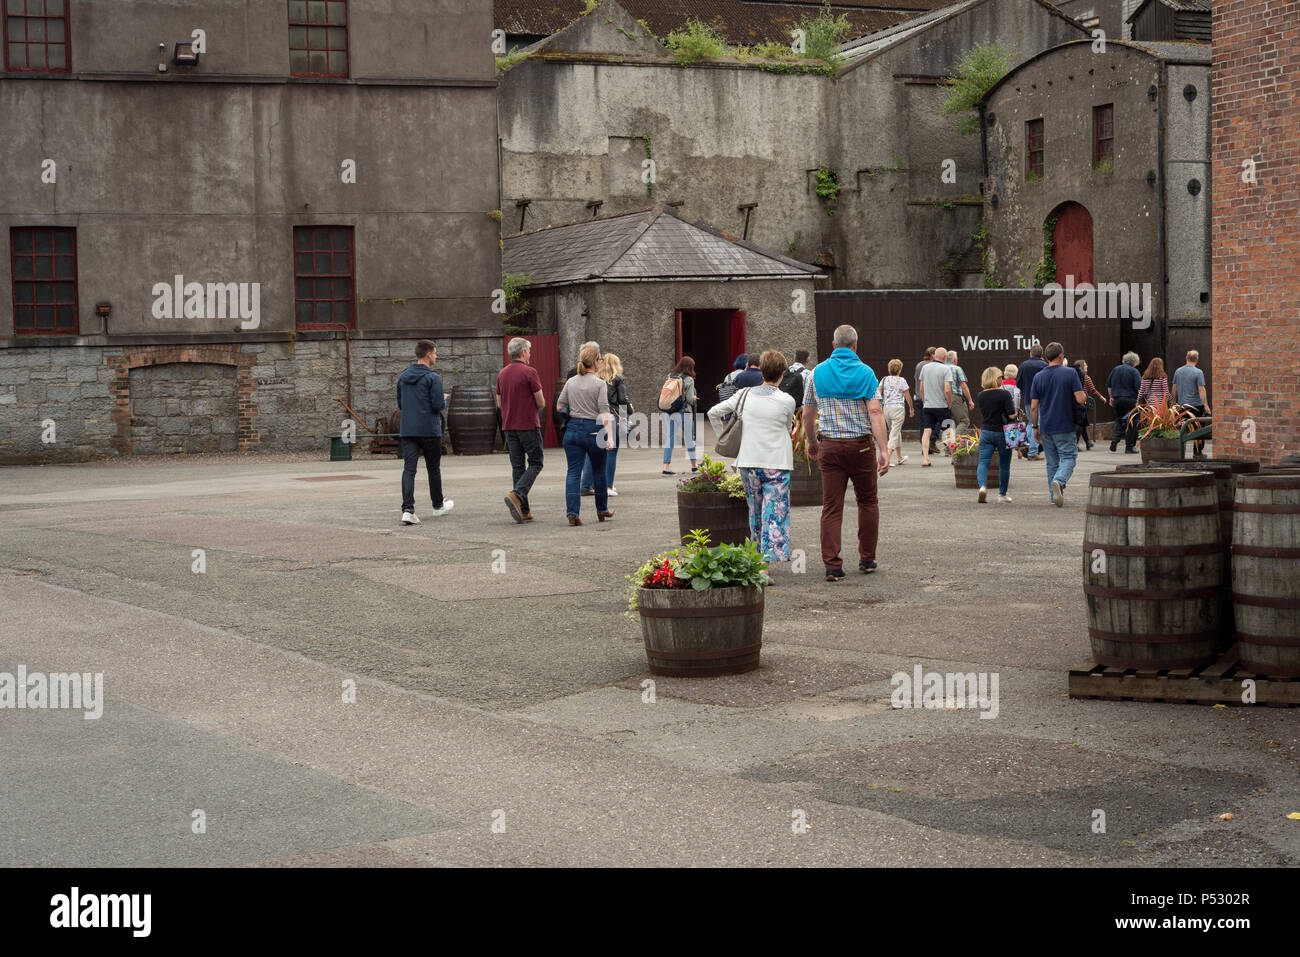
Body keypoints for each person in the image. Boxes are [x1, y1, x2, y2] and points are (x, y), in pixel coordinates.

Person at [802, 324, 889, 582]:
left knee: (831, 506)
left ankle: (832, 565)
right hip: (861, 446)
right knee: (868, 501)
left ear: (833, 345)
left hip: (829, 446)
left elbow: (807, 413)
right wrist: (883, 449)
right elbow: (875, 412)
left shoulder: (816, 373)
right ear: (855, 344)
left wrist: (810, 441)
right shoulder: (866, 372)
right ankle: (867, 558)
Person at [708, 350, 797, 569]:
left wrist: (724, 436)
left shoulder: (743, 395)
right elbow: (787, 428)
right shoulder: (787, 401)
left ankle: (756, 562)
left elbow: (713, 412)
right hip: (777, 462)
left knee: (754, 512)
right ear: (783, 373)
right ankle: (767, 560)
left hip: (748, 461)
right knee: (774, 513)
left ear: (760, 370)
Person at [556, 344, 613, 526]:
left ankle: (572, 513)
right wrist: (610, 437)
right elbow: (604, 413)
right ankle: (602, 509)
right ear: (595, 362)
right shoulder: (600, 384)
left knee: (573, 472)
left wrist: (574, 408)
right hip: (593, 430)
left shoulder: (571, 382)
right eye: (600, 359)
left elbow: (559, 406)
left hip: (572, 430)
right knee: (599, 470)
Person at [397, 339, 452, 525]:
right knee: (433, 468)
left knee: (409, 470)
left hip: (408, 430)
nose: (436, 356)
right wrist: (442, 399)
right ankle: (437, 506)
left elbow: (400, 404)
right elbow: (437, 405)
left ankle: (407, 509)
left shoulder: (403, 376)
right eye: (435, 353)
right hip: (429, 429)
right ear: (428, 354)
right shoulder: (433, 378)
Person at [1030, 342, 1086, 508]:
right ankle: (1059, 481)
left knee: (1052, 462)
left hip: (1046, 425)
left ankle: (1053, 496)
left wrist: (1035, 427)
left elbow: (1033, 406)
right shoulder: (1070, 373)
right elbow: (1081, 399)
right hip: (1065, 424)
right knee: (1069, 457)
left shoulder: (1038, 376)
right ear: (1061, 356)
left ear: (1046, 357)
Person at [497, 336, 546, 524]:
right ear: (524, 352)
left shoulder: (502, 373)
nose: (530, 354)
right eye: (530, 351)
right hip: (527, 424)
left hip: (509, 426)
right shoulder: (530, 372)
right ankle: (517, 494)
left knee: (518, 466)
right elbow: (540, 402)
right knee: (536, 462)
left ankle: (523, 510)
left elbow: (499, 403)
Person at [976, 366, 1016, 504]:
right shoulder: (1004, 395)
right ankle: (1002, 494)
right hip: (1002, 433)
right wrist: (1016, 412)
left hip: (986, 432)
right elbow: (1011, 414)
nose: (1002, 380)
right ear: (995, 379)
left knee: (983, 462)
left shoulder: (981, 395)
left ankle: (982, 487)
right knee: (1004, 464)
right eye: (1000, 377)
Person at [917, 346, 954, 467]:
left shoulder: (925, 368)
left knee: (927, 431)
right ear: (944, 357)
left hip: (928, 406)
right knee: (948, 431)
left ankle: (926, 459)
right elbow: (947, 389)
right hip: (942, 406)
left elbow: (921, 388)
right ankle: (954, 458)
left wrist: (924, 401)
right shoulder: (946, 369)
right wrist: (949, 403)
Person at [662, 356, 699, 475]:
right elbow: (689, 399)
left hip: (670, 411)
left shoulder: (671, 376)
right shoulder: (689, 379)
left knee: (670, 439)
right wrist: (693, 398)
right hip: (684, 412)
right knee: (690, 438)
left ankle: (666, 467)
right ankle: (694, 466)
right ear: (690, 367)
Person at [1173, 350, 1211, 456]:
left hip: (1182, 406)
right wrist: (1206, 405)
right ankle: (1197, 453)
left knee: (1181, 430)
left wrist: (1173, 403)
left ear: (1186, 357)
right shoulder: (1198, 372)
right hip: (1196, 406)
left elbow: (1174, 388)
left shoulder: (1178, 371)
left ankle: (1180, 453)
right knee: (1199, 430)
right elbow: (1201, 389)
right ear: (1197, 360)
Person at [877, 359, 914, 466]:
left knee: (895, 432)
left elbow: (878, 393)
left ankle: (900, 457)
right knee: (894, 434)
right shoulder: (902, 380)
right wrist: (911, 408)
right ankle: (886, 460)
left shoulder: (884, 379)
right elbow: (908, 396)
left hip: (886, 409)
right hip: (898, 409)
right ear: (900, 369)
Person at [1016, 343, 1048, 460]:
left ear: (1030, 353)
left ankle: (1028, 445)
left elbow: (1018, 383)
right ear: (1041, 354)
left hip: (1028, 399)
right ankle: (1032, 452)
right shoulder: (1044, 365)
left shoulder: (1023, 365)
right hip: (1041, 399)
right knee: (1037, 424)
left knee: (1031, 423)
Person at [1106, 351, 1142, 454]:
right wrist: (1139, 402)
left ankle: (1115, 439)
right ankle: (1129, 447)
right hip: (1130, 400)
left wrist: (1111, 397)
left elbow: (1109, 386)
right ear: (1134, 362)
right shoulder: (1134, 371)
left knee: (1119, 420)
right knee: (1132, 423)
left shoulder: (1115, 369)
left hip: (1117, 400)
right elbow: (1139, 389)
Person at [1072, 359, 1108, 451]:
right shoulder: (1086, 377)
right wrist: (1102, 397)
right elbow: (1093, 390)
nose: (1087, 366)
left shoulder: (1072, 376)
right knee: (1081, 424)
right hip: (1083, 402)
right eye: (1085, 365)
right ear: (1081, 366)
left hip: (1074, 402)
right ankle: (1075, 444)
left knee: (1082, 424)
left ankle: (1087, 442)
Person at [914, 347, 940, 454]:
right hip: (928, 397)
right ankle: (932, 442)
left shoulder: (919, 365)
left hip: (918, 397)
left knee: (923, 424)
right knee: (937, 420)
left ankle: (925, 447)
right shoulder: (930, 366)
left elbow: (916, 379)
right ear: (932, 355)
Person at [946, 350, 976, 433]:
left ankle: (947, 442)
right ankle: (954, 442)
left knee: (948, 421)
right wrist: (970, 400)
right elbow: (964, 386)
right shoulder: (957, 369)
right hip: (954, 397)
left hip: (941, 398)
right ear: (954, 359)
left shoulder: (940, 368)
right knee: (964, 421)